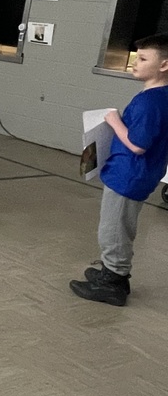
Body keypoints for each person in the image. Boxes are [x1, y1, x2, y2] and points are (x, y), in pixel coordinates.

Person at [70, 34, 168, 306]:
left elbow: (138, 145)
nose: (136, 63)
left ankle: (113, 281)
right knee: (117, 225)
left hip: (129, 176)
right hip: (133, 174)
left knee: (114, 229)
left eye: (144, 58)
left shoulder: (150, 102)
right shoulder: (158, 96)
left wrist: (114, 121)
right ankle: (112, 271)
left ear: (164, 65)